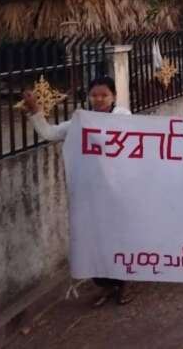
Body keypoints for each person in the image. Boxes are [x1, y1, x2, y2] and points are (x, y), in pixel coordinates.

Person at [21, 76, 134, 308]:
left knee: (117, 238)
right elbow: (50, 133)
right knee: (94, 239)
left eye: (104, 95)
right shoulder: (81, 121)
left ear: (113, 96)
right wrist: (35, 112)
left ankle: (122, 284)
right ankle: (104, 286)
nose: (99, 99)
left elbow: (110, 139)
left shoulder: (122, 116)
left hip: (118, 191)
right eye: (94, 95)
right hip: (90, 193)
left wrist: (85, 124)